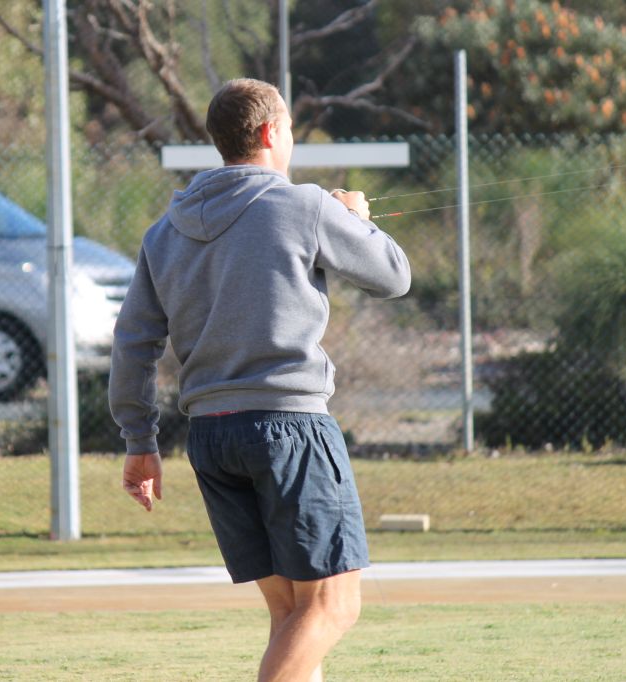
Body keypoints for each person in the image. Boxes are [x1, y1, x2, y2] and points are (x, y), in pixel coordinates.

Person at [108, 77, 411, 682]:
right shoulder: (306, 205)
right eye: (290, 128)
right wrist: (355, 219)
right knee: (332, 606)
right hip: (288, 429)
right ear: (272, 132)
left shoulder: (165, 231)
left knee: (293, 613)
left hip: (212, 439)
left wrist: (140, 441)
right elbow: (393, 275)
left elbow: (133, 343)